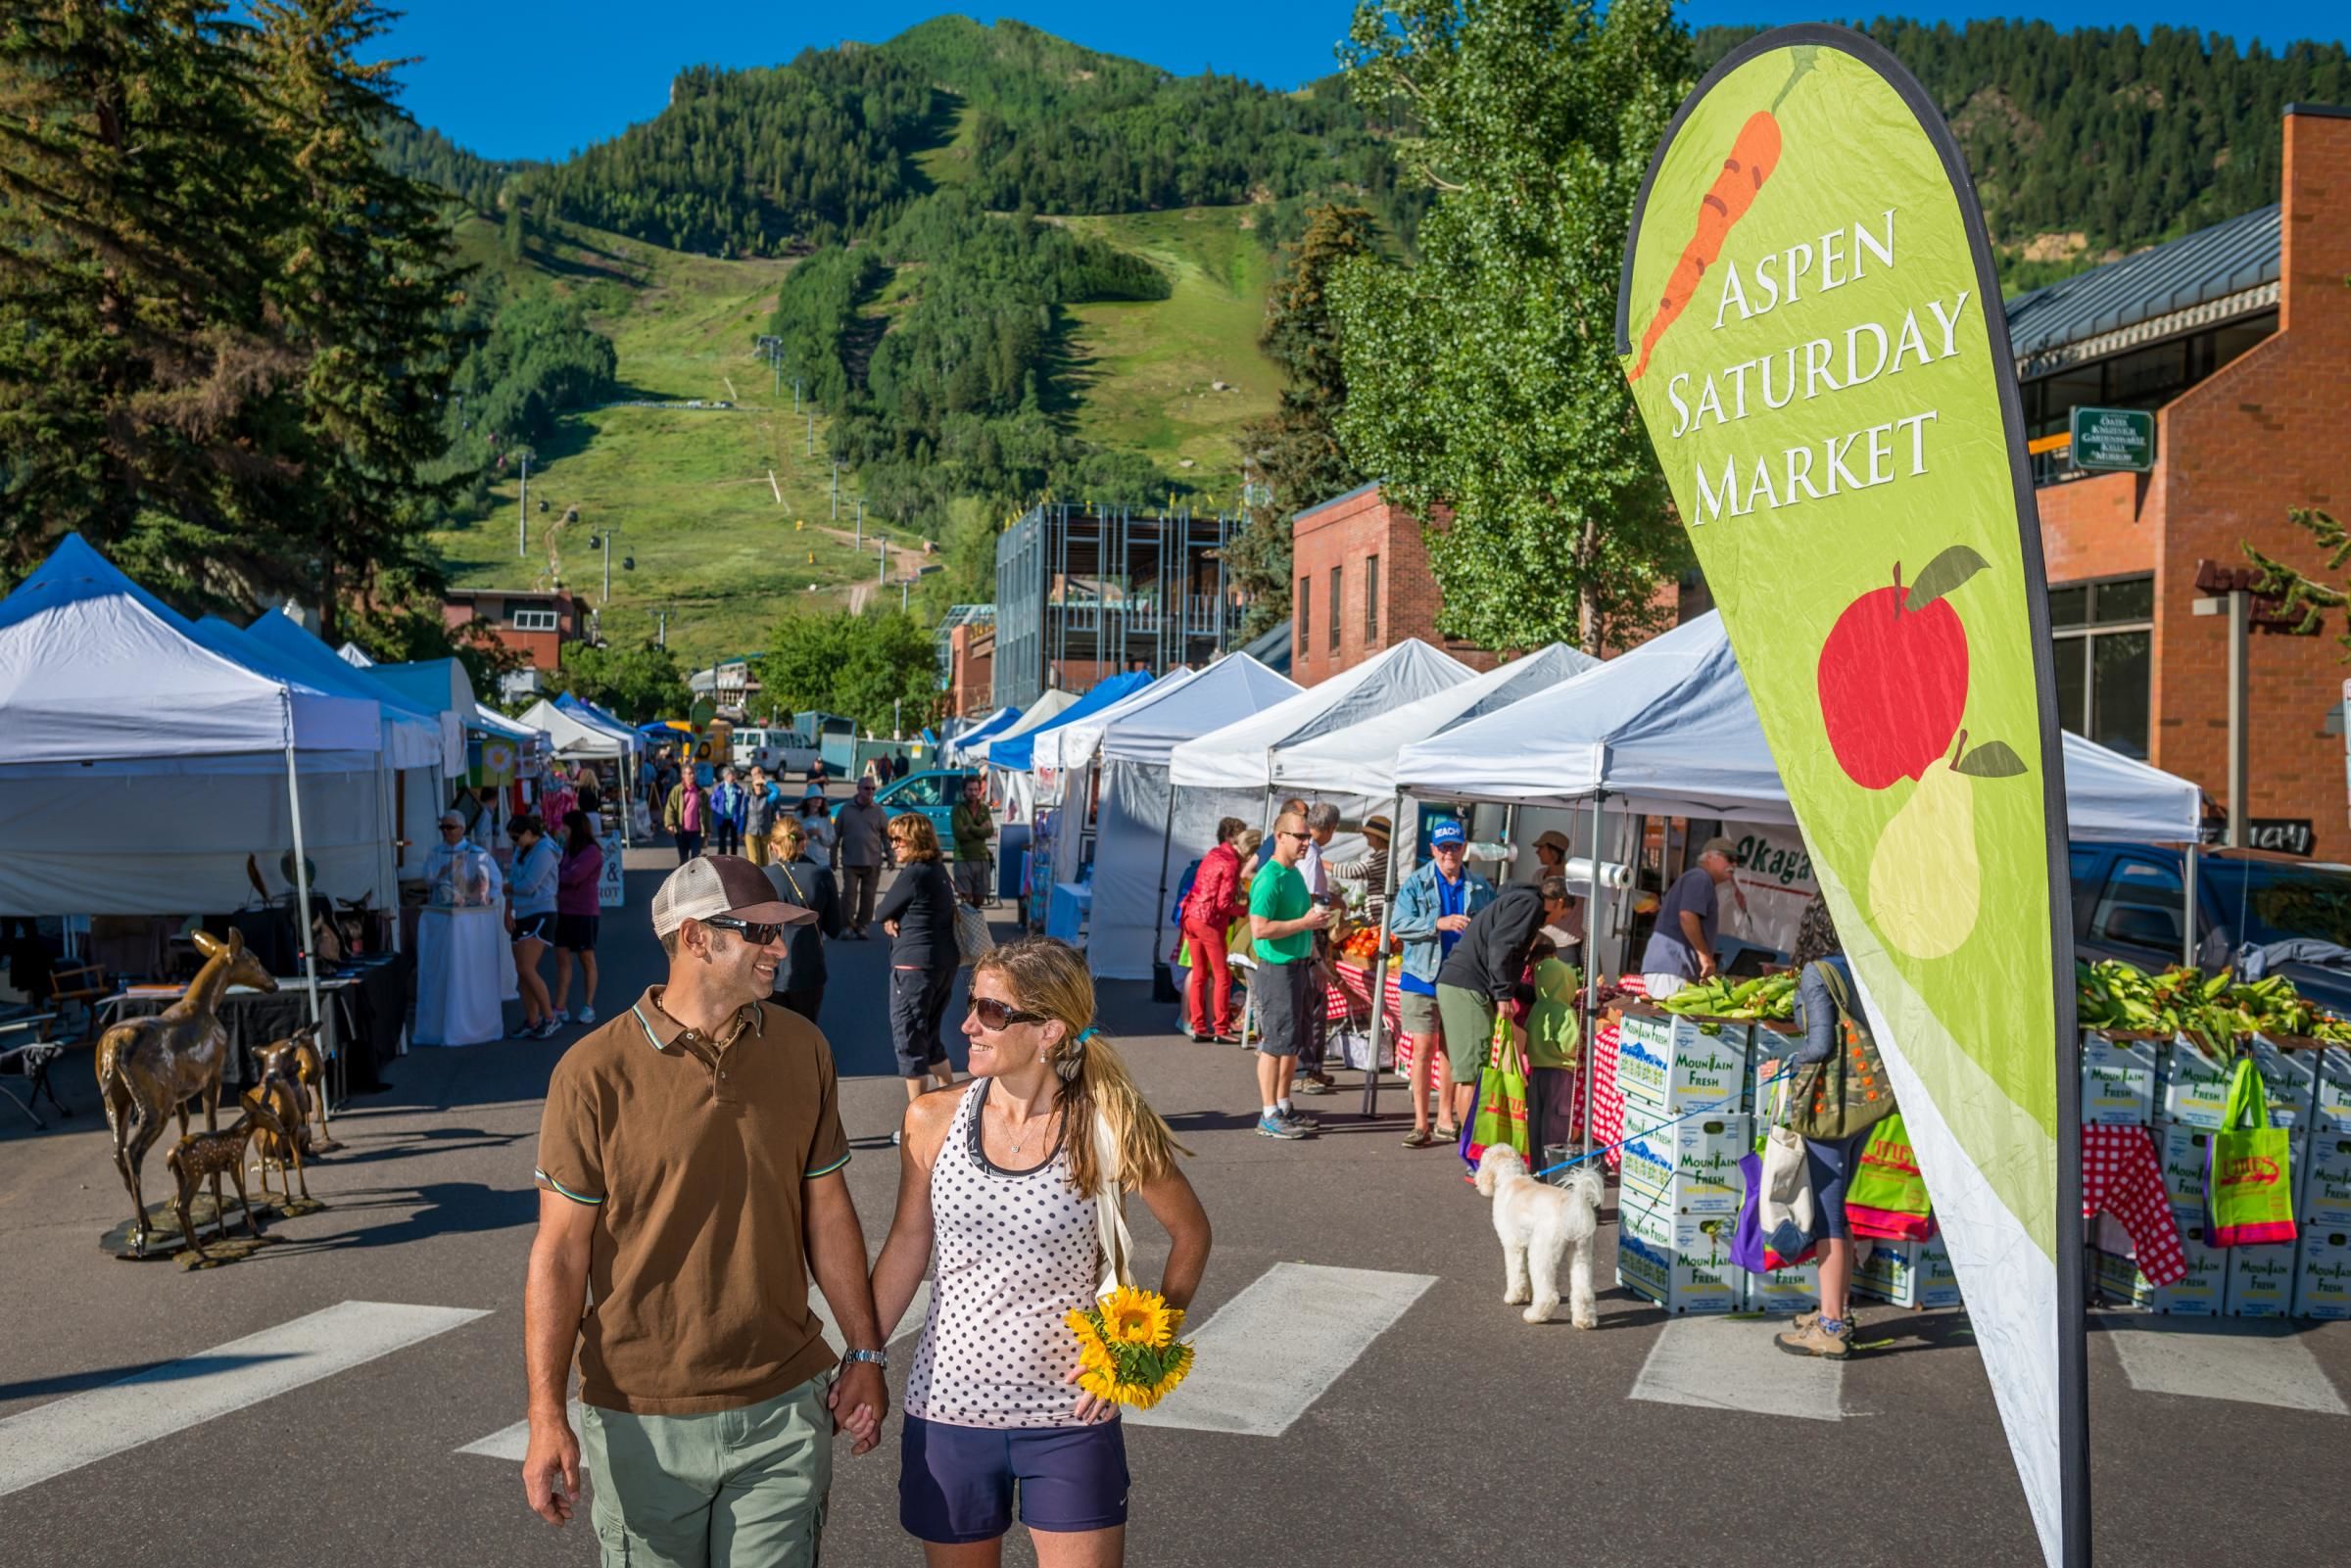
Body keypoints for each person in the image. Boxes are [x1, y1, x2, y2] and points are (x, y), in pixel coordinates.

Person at [522, 855, 887, 1561]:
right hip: (641, 1418)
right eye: (758, 933)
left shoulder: (804, 1048)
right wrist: (545, 1412)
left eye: (780, 933)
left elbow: (830, 1212)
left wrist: (865, 1348)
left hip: (782, 1406)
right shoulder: (592, 1072)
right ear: (695, 938)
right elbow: (559, 1253)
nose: (778, 950)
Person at [870, 936, 1211, 1568]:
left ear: (1050, 1029)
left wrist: (1139, 1352)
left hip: (1070, 1416)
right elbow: (907, 1245)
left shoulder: (1107, 1122)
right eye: (973, 1005)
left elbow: (1191, 1233)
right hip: (948, 1409)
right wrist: (863, 1354)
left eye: (993, 1012)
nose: (968, 1023)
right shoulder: (930, 1120)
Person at [1756, 905, 1883, 1360]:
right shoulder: (1867, 965)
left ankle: (1830, 1326)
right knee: (1837, 1209)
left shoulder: (1818, 972)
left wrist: (1786, 1064)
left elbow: (1820, 1045)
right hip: (1864, 1102)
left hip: (1827, 1106)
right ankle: (1836, 1310)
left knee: (1829, 1214)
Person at [1435, 876, 1579, 1138]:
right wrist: (1503, 996)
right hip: (1468, 986)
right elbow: (1501, 946)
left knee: (1475, 1072)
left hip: (1469, 985)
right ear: (1558, 902)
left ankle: (1478, 1150)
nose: (1555, 921)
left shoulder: (1518, 900)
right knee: (1473, 1074)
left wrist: (1522, 992)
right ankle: (1476, 1155)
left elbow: (1506, 954)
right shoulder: (1530, 904)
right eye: (1561, 915)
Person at [1387, 821, 1495, 1147]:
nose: (1449, 853)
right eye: (1443, 847)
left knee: (1454, 1051)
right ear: (1433, 850)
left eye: (1455, 846)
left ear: (1464, 848)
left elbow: (1493, 925)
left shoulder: (1477, 886)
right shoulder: (1416, 884)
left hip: (1461, 979)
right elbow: (1398, 924)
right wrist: (1438, 923)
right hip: (1421, 976)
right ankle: (1421, 1123)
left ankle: (1446, 1116)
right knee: (1423, 1049)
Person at [1247, 810, 1333, 1140]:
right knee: (1274, 1044)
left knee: (1291, 1042)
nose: (1306, 842)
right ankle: (1268, 1114)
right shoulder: (1269, 877)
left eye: (1307, 837)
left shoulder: (1294, 874)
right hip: (1276, 970)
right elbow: (1260, 929)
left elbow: (1300, 922)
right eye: (1300, 836)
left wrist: (1316, 958)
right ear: (1279, 837)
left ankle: (1282, 1105)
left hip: (1297, 967)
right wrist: (1305, 924)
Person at [879, 813, 962, 1121]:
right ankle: (954, 1103)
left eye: (899, 839)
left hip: (914, 965)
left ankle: (920, 1121)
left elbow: (881, 910)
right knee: (930, 1036)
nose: (894, 845)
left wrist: (890, 918)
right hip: (942, 961)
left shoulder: (914, 873)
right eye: (892, 839)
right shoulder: (937, 869)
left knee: (910, 1039)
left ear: (915, 840)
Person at [1638, 836, 1746, 995]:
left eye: (1736, 861)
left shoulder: (1699, 879)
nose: (1734, 865)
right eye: (1730, 859)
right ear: (1710, 857)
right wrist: (1705, 957)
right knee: (1673, 1018)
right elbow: (1687, 916)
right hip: (1672, 969)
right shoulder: (1700, 878)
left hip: (1671, 969)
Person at [764, 818, 842, 1023]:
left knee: (774, 1035)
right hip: (809, 968)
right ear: (804, 842)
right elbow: (835, 928)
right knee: (805, 1032)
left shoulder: (764, 877)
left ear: (773, 845)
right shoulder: (822, 875)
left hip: (771, 969)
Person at [1179, 818, 1249, 1044]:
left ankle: (1198, 1025)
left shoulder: (1212, 854)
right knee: (1222, 975)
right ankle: (1220, 1028)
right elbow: (1223, 904)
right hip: (1209, 920)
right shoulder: (1230, 862)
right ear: (1232, 838)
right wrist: (1244, 910)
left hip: (1191, 915)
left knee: (1199, 974)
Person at [506, 814, 562, 1040]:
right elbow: (514, 882)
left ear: (530, 833)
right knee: (522, 972)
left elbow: (529, 885)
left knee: (527, 968)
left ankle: (550, 1017)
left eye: (516, 837)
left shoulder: (544, 851)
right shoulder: (522, 850)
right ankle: (532, 1019)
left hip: (541, 912)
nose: (514, 842)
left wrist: (506, 888)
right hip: (521, 912)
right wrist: (507, 910)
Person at [551, 809, 602, 1027]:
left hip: (584, 912)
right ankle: (559, 1007)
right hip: (565, 910)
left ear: (575, 828)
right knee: (562, 959)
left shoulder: (592, 852)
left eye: (566, 826)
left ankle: (588, 1005)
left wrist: (557, 875)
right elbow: (562, 872)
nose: (562, 830)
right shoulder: (567, 849)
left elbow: (572, 876)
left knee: (586, 959)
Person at [836, 778, 890, 939]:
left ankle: (862, 926)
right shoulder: (846, 809)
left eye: (873, 789)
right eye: (867, 788)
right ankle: (847, 925)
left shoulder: (878, 811)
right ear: (858, 789)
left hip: (872, 862)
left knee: (868, 897)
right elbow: (836, 835)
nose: (870, 792)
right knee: (849, 896)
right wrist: (832, 857)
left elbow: (886, 836)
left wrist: (891, 855)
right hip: (850, 860)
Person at [1326, 814, 1391, 928]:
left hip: (1382, 915)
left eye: (1368, 833)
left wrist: (1320, 862)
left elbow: (1351, 872)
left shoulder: (1382, 857)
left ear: (1378, 837)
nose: (1365, 835)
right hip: (1380, 913)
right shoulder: (1384, 856)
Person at [950, 775, 994, 908]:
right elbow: (959, 834)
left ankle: (973, 923)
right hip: (963, 858)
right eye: (970, 790)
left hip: (981, 858)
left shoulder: (984, 809)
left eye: (976, 789)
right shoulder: (958, 809)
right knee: (965, 897)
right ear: (964, 791)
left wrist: (969, 828)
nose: (973, 793)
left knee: (979, 898)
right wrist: (979, 830)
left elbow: (989, 832)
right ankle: (964, 926)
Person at [665, 770, 709, 863]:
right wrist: (670, 824)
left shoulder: (701, 792)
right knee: (684, 861)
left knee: (695, 860)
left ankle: (694, 877)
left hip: (696, 832)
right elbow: (670, 808)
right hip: (682, 832)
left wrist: (708, 831)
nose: (692, 775)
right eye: (689, 773)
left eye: (693, 773)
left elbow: (707, 812)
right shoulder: (677, 790)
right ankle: (682, 877)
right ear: (683, 775)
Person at [744, 765, 782, 867]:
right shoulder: (748, 792)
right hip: (751, 831)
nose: (756, 776)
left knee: (765, 861)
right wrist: (739, 829)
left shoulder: (768, 795)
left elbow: (777, 792)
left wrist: (765, 782)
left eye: (757, 773)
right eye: (753, 774)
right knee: (754, 861)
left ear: (762, 774)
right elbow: (742, 811)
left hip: (765, 830)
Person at [711, 766, 747, 859]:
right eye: (732, 775)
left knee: (734, 842)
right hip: (722, 819)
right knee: (722, 841)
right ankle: (721, 859)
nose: (734, 777)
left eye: (734, 775)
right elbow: (712, 801)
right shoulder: (718, 788)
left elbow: (742, 806)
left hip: (734, 819)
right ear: (725, 776)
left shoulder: (738, 789)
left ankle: (733, 859)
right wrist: (716, 810)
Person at [797, 791, 839, 863]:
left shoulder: (826, 817)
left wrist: (821, 835)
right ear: (808, 800)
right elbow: (791, 837)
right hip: (803, 860)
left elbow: (831, 840)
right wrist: (806, 834)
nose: (818, 800)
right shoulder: (798, 816)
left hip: (822, 861)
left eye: (820, 798)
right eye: (815, 798)